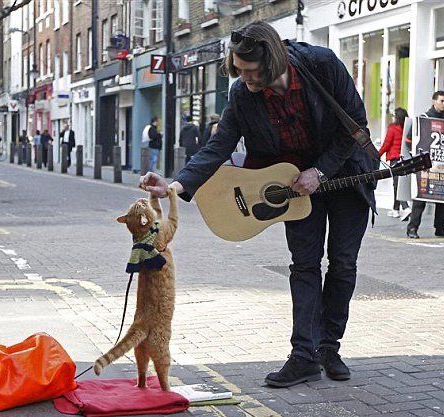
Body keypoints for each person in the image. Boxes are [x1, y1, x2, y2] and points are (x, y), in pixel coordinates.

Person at [141, 21, 378, 388]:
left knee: (343, 264)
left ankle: (329, 347)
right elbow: (218, 147)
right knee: (304, 266)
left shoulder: (322, 64)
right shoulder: (243, 93)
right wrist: (173, 186)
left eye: (252, 71)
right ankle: (303, 356)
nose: (246, 79)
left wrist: (320, 170)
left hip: (346, 174)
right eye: (239, 70)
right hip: (293, 187)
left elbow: (356, 126)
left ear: (274, 60)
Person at [406, 91, 444, 239]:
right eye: (442, 101)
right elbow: (409, 140)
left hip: (443, 164)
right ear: (434, 101)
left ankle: (440, 227)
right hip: (425, 166)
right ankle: (412, 228)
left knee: (443, 197)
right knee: (420, 198)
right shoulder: (423, 119)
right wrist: (415, 157)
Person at [379, 108, 411, 220]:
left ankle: (405, 207)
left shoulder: (393, 128)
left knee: (397, 185)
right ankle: (395, 209)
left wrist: (377, 155)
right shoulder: (408, 128)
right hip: (405, 159)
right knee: (398, 184)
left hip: (395, 159)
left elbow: (386, 144)